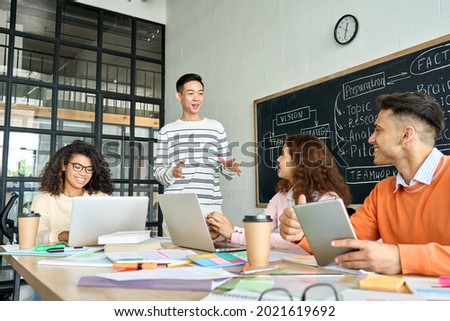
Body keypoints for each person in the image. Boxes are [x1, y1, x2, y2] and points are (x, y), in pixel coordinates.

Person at [279, 92, 450, 276]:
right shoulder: (383, 191)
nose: (371, 139)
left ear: (406, 134)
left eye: (378, 130)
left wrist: (401, 258)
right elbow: (343, 245)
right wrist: (301, 233)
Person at [206, 134, 352, 251]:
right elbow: (258, 230)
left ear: (299, 162)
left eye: (283, 154)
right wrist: (221, 233)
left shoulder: (328, 200)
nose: (277, 159)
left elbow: (293, 242)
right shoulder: (281, 196)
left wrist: (232, 234)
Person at [154, 73, 241, 234]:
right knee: (175, 259)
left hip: (210, 209)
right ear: (179, 96)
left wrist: (229, 168)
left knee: (209, 259)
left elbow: (227, 173)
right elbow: (158, 174)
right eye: (191, 93)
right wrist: (172, 172)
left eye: (200, 93)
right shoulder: (167, 131)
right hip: (178, 209)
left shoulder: (216, 128)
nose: (197, 98)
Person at [31, 140, 114, 245]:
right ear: (64, 166)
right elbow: (38, 236)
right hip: (52, 259)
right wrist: (65, 235)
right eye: (77, 167)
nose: (83, 173)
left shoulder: (100, 198)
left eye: (89, 169)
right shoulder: (43, 200)